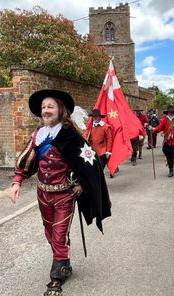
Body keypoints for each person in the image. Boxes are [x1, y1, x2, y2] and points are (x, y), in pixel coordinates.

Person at [8, 89, 111, 296]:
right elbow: (27, 160)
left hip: (64, 195)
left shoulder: (71, 136)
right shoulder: (38, 135)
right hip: (42, 194)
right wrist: (17, 182)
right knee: (51, 234)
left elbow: (90, 163)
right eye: (44, 107)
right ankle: (64, 262)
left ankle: (56, 278)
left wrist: (82, 182)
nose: (46, 110)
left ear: (60, 110)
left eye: (50, 107)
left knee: (58, 234)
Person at [149, 105, 174, 178]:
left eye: (172, 112)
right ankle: (171, 170)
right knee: (169, 157)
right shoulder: (163, 120)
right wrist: (152, 129)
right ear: (167, 112)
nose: (170, 113)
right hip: (167, 141)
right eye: (169, 112)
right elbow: (159, 129)